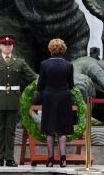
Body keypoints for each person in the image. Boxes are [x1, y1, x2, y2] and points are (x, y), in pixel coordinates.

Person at [0, 34, 37, 167]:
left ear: (12, 46)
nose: (7, 47)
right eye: (5, 45)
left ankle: (9, 158)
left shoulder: (19, 62)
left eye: (9, 45)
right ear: (0, 46)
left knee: (11, 131)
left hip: (13, 101)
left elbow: (33, 76)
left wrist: (49, 78)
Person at [37, 38, 74, 167]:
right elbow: (71, 85)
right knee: (62, 130)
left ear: (50, 49)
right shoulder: (68, 65)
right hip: (64, 97)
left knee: (49, 129)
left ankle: (50, 159)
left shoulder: (44, 64)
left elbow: (40, 86)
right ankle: (63, 157)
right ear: (63, 50)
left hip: (49, 98)